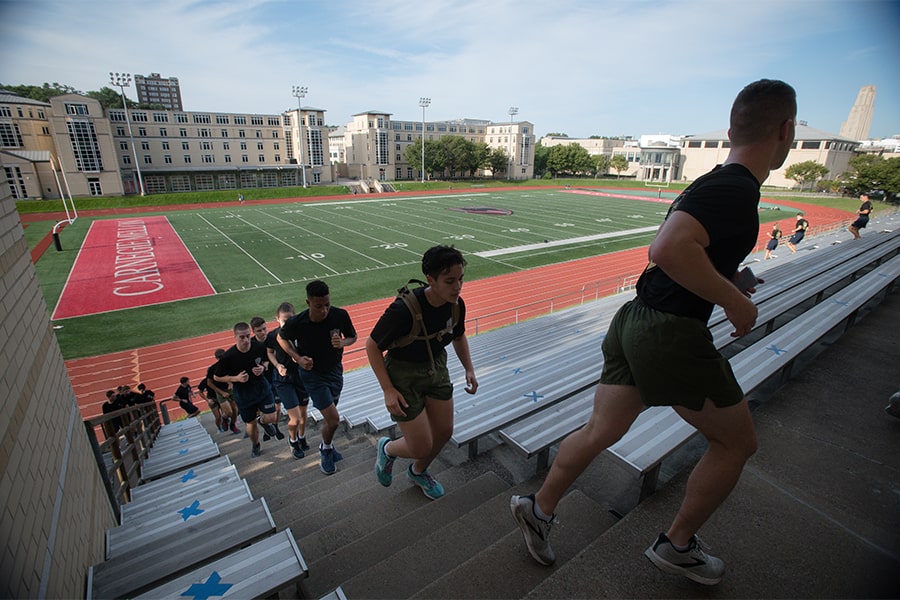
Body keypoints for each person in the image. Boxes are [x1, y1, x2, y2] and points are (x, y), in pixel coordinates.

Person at [509, 79, 796, 585]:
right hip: (670, 331)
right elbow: (666, 249)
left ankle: (539, 506)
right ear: (786, 130)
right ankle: (677, 545)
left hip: (636, 319)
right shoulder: (735, 189)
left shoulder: (711, 181)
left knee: (602, 429)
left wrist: (729, 277)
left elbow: (688, 252)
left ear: (731, 130)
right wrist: (732, 301)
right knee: (736, 444)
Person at [368, 245, 479, 499]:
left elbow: (458, 336)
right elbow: (372, 346)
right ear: (431, 280)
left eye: (460, 279)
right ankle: (388, 450)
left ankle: (418, 471)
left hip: (436, 367)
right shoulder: (404, 310)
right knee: (420, 445)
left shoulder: (456, 305)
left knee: (443, 432)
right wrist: (388, 389)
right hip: (403, 375)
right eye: (450, 281)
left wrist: (469, 369)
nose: (458, 286)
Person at [278, 280, 358, 475]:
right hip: (312, 375)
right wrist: (297, 358)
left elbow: (353, 336)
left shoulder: (340, 315)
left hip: (335, 371)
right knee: (333, 419)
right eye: (318, 306)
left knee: (331, 418)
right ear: (308, 303)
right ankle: (326, 450)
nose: (324, 310)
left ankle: (327, 445)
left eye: (327, 305)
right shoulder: (297, 322)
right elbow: (281, 338)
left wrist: (343, 343)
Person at [215, 322, 280, 457]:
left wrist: (263, 367)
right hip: (243, 394)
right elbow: (216, 377)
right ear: (235, 337)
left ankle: (264, 423)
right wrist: (236, 379)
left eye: (247, 336)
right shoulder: (228, 357)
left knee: (272, 416)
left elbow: (266, 359)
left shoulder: (258, 347)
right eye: (241, 337)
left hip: (262, 388)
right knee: (250, 424)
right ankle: (255, 445)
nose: (245, 340)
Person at [267, 302, 312, 459]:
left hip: (300, 377)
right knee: (296, 417)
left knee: (304, 413)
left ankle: (301, 436)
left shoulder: (301, 333)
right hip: (283, 380)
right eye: (284, 320)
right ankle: (293, 441)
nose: (288, 323)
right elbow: (269, 352)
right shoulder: (273, 335)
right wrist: (277, 365)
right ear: (277, 319)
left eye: (291, 319)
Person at [251, 316, 284, 441]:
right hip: (260, 381)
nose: (263, 332)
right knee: (263, 410)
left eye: (264, 329)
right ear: (253, 331)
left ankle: (275, 427)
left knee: (278, 407)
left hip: (274, 377)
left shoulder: (272, 338)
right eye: (259, 330)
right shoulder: (251, 345)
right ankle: (267, 427)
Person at [203, 349, 240, 434]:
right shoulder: (212, 369)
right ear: (216, 358)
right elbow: (209, 383)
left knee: (235, 411)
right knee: (229, 412)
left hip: (231, 390)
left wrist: (232, 383)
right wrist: (221, 392)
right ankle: (225, 418)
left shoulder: (230, 364)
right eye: (220, 357)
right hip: (220, 391)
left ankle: (232, 425)